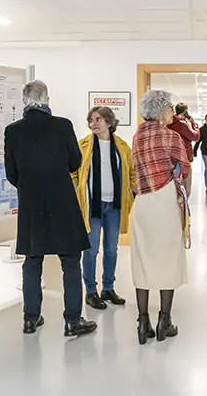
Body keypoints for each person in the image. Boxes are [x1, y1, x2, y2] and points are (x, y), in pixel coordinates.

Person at [4, 80, 97, 337]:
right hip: (62, 201)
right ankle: (72, 320)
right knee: (70, 261)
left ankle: (30, 318)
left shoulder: (13, 131)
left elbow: (11, 173)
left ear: (24, 100)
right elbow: (75, 163)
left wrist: (30, 185)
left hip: (31, 204)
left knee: (32, 262)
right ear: (46, 98)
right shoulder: (62, 125)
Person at [131, 90, 190, 345]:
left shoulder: (137, 136)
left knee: (142, 258)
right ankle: (164, 319)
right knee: (168, 258)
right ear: (162, 109)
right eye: (170, 108)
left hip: (143, 202)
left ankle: (142, 321)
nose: (172, 113)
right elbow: (185, 167)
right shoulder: (171, 136)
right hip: (165, 201)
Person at [72, 106, 136, 310]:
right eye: (91, 120)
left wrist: (133, 190)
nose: (93, 123)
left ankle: (108, 288)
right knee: (90, 250)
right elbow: (73, 173)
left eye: (98, 119)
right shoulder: (82, 146)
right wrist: (78, 193)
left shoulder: (123, 147)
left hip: (114, 206)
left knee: (111, 249)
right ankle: (91, 291)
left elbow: (132, 172)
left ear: (109, 122)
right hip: (93, 207)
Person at [167, 103, 200, 196]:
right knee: (186, 189)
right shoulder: (182, 124)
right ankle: (182, 208)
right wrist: (194, 124)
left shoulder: (169, 124)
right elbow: (195, 137)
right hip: (184, 157)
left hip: (171, 157)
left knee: (175, 187)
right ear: (186, 111)